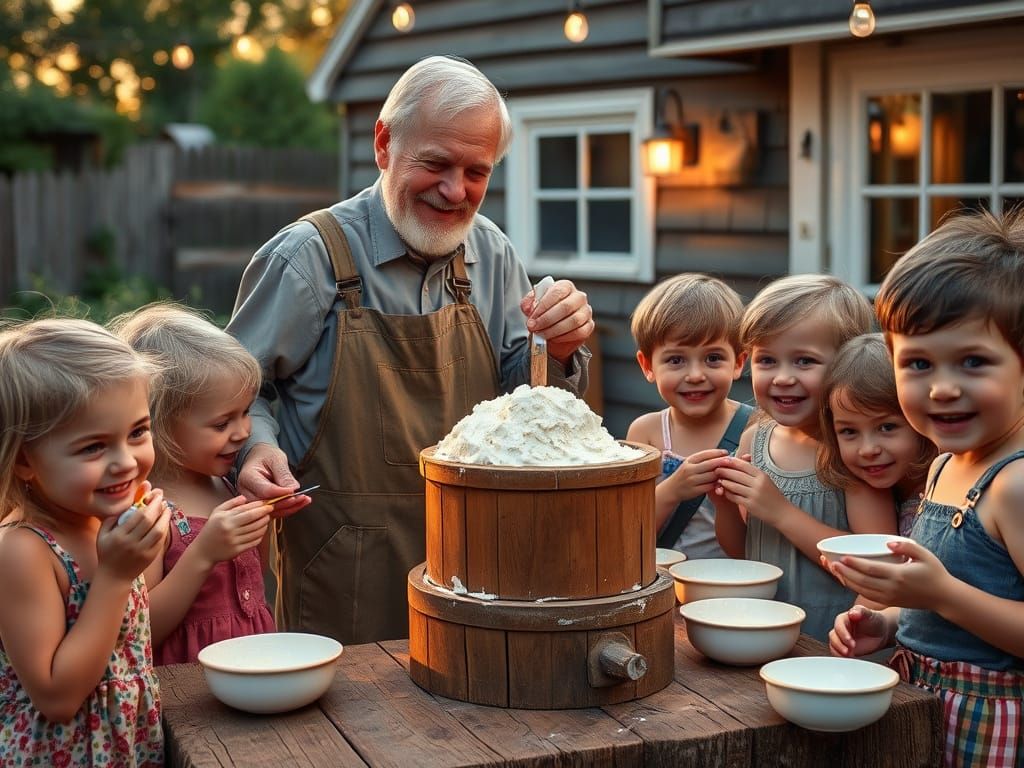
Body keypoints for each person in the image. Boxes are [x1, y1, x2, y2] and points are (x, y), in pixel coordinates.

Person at [226, 55, 594, 644]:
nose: (455, 191)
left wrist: (561, 348)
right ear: (383, 144)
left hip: (477, 570)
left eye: (476, 172)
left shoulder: (493, 255)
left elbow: (524, 401)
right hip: (345, 581)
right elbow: (235, 393)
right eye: (436, 164)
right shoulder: (307, 257)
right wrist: (255, 449)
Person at [828, 210, 1024, 766]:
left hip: (991, 723)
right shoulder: (943, 465)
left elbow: (951, 596)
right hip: (924, 703)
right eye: (917, 363)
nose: (941, 388)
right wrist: (891, 622)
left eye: (972, 361)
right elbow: (951, 610)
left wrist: (939, 594)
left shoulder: (1014, 484)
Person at [0, 318, 167, 766]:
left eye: (138, 432)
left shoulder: (104, 520)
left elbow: (128, 630)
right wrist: (115, 574)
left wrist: (144, 549)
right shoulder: (23, 550)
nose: (126, 461)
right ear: (25, 461)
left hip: (127, 746)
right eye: (93, 447)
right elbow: (56, 697)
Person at [712, 274, 896, 641]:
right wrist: (725, 507)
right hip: (761, 634)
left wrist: (781, 512)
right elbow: (744, 551)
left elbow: (878, 566)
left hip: (828, 643)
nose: (782, 378)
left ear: (845, 365)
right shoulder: (754, 439)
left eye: (804, 361)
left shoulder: (852, 455)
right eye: (767, 360)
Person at [110, 303, 276, 665]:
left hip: (250, 670)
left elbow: (251, 587)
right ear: (159, 423)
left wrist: (264, 517)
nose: (243, 432)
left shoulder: (226, 484)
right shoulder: (146, 509)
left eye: (246, 412)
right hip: (186, 686)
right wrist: (203, 553)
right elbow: (142, 632)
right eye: (222, 424)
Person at [626, 273, 754, 559]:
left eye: (713, 358)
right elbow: (629, 531)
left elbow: (756, 542)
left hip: (733, 580)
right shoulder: (646, 432)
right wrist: (673, 489)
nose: (695, 375)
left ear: (738, 362)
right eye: (676, 360)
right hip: (662, 579)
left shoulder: (755, 427)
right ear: (647, 366)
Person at [817, 333, 936, 538]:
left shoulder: (944, 492)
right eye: (849, 431)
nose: (868, 450)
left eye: (887, 427)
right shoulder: (863, 487)